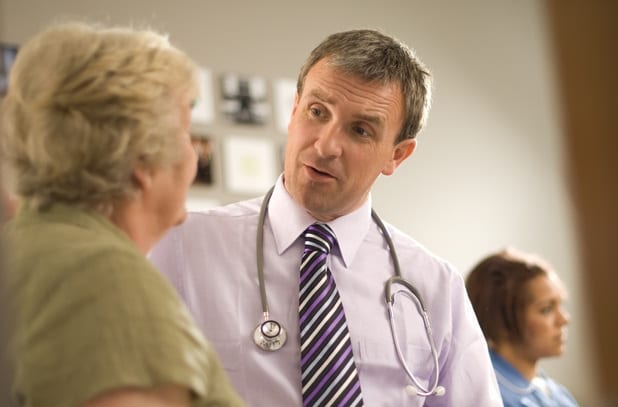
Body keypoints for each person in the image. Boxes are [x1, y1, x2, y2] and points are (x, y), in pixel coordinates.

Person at [150, 29, 503, 406]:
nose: (325, 146)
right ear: (294, 109)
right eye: (317, 112)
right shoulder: (184, 246)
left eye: (360, 130)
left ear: (397, 156)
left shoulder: (434, 287)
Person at [0, 22, 245, 407]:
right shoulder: (102, 274)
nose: (194, 154)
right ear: (142, 161)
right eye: (185, 132)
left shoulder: (22, 246)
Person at [465, 248, 579, 407]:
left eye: (561, 304)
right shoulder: (491, 398)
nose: (564, 319)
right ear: (501, 321)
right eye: (546, 309)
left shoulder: (556, 393)